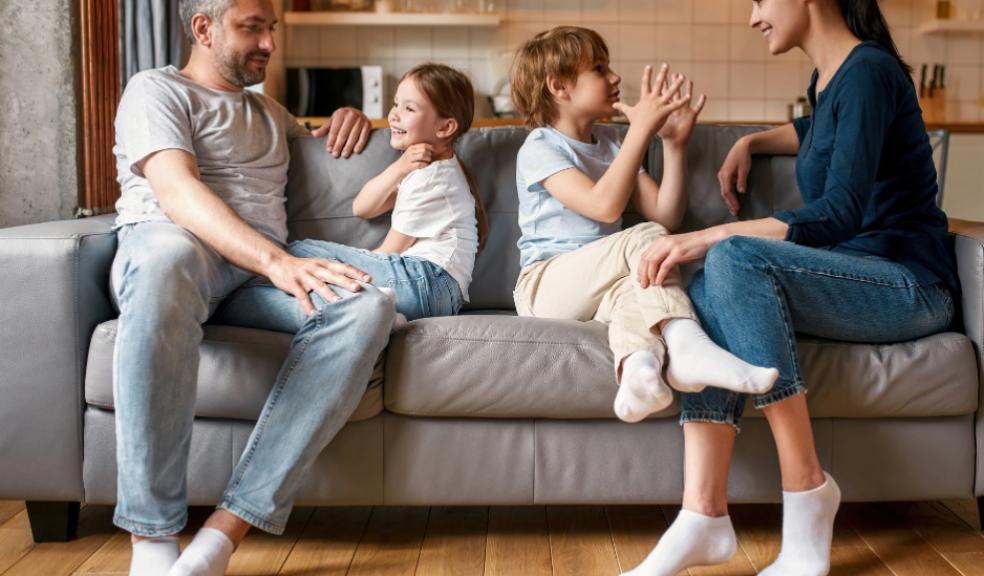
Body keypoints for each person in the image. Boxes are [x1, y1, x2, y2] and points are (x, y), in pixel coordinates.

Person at [622, 1, 959, 574]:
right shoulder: (830, 77)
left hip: (909, 284)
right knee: (708, 291)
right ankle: (701, 513)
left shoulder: (870, 70)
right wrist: (752, 141)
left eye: (760, 0)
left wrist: (710, 232)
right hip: (856, 276)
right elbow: (819, 131)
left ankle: (807, 490)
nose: (754, 17)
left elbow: (841, 212)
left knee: (732, 256)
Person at [111, 1, 396, 575]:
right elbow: (176, 193)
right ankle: (153, 539)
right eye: (252, 28)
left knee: (368, 306)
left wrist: (345, 119)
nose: (268, 42)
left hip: (248, 280)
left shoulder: (269, 112)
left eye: (272, 29)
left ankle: (222, 535)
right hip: (175, 250)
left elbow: (321, 146)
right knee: (168, 255)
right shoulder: (155, 91)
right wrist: (277, 262)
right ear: (203, 28)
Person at [509, 26, 779, 425]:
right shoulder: (541, 146)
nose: (615, 78)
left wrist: (673, 145)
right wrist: (639, 130)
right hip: (545, 286)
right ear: (559, 86)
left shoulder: (611, 143)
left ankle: (640, 373)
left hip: (597, 290)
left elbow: (665, 215)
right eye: (599, 69)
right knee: (651, 243)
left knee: (643, 278)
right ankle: (687, 344)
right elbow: (603, 207)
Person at [314, 62, 488, 320]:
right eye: (396, 104)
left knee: (305, 253)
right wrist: (399, 168)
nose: (393, 114)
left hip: (426, 282)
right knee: (311, 269)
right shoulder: (421, 170)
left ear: (444, 128)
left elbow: (390, 251)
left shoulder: (433, 179)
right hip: (432, 288)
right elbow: (362, 208)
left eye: (409, 108)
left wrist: (339, 272)